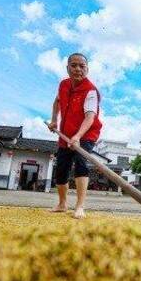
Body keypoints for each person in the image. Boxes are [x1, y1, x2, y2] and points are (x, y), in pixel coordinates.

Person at [47, 53, 102, 219]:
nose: (78, 69)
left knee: (80, 162)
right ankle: (62, 204)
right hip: (65, 134)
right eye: (74, 65)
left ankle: (79, 206)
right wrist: (54, 120)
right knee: (61, 168)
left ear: (87, 69)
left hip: (86, 133)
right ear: (68, 68)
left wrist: (78, 136)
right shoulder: (63, 84)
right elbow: (57, 102)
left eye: (82, 66)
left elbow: (90, 117)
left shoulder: (90, 90)